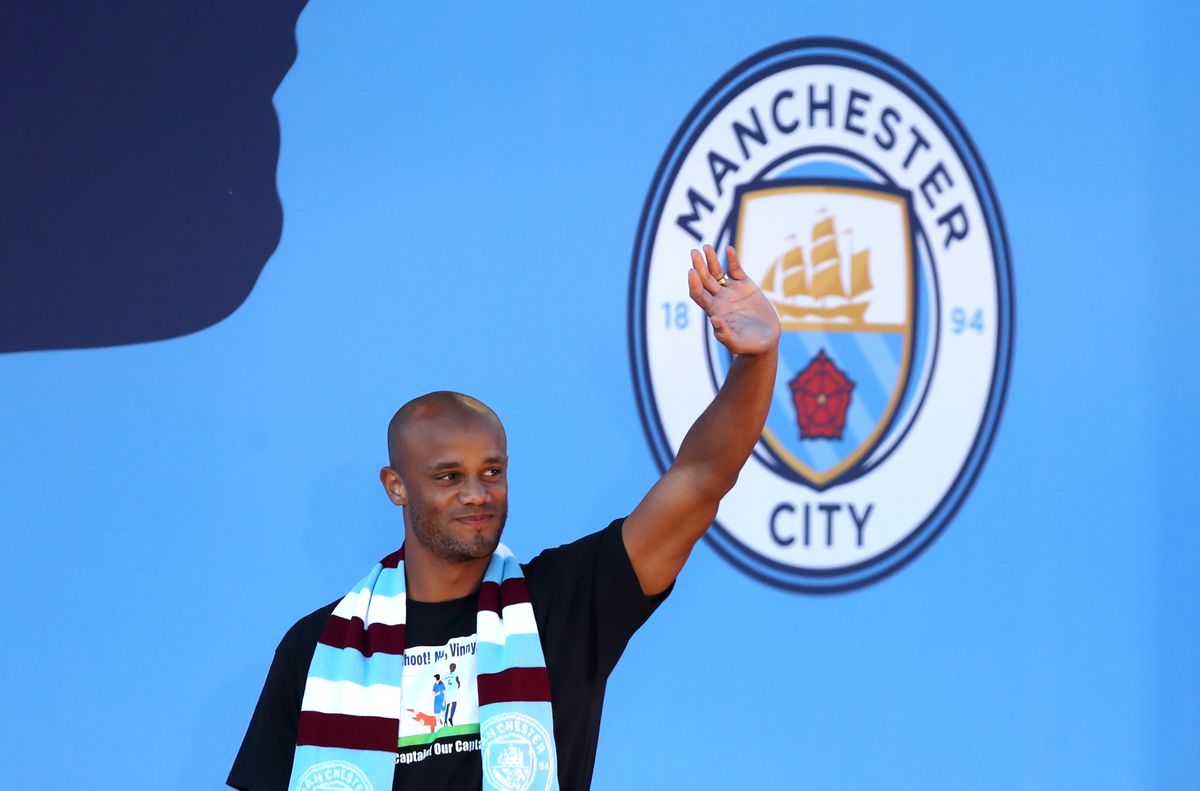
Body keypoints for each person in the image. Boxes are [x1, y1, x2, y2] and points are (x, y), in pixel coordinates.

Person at [227, 245, 781, 791]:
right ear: (396, 487)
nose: (477, 494)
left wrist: (755, 362)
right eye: (449, 477)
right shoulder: (319, 647)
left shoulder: (565, 603)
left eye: (492, 472)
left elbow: (699, 479)